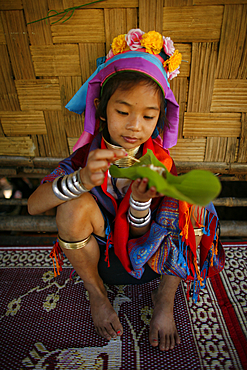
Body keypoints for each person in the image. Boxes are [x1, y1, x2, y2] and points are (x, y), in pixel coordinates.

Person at [28, 29, 225, 352]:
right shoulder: (85, 160)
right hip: (101, 262)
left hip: (153, 262)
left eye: (148, 116)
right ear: (102, 111)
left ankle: (164, 299)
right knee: (72, 206)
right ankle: (96, 295)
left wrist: (139, 202)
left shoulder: (158, 165)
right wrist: (81, 180)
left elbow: (143, 230)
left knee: (193, 204)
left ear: (159, 119)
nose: (135, 126)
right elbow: (34, 207)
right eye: (123, 112)